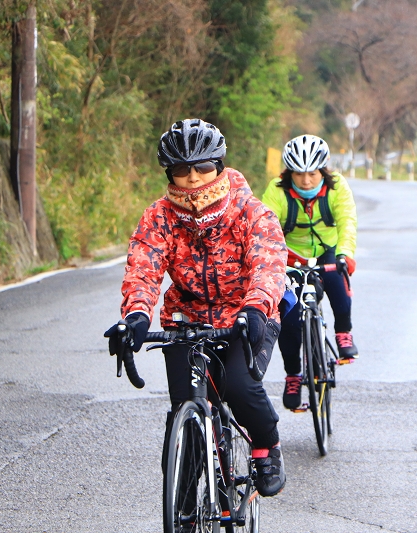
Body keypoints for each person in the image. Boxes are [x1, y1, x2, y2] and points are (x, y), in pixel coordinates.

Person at [104, 118, 287, 497]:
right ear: (169, 172)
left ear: (218, 165)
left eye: (203, 166)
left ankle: (267, 447)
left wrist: (255, 308)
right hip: (187, 321)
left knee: (239, 386)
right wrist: (135, 315)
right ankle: (184, 505)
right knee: (184, 410)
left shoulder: (251, 211)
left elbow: (268, 264)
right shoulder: (158, 217)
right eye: (181, 169)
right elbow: (144, 269)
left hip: (245, 316)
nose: (192, 177)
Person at [261, 134, 358, 411]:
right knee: (288, 319)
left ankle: (343, 333)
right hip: (291, 257)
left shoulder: (337, 187)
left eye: (312, 174)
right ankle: (293, 375)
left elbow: (347, 220)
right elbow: (265, 228)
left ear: (323, 171)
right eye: (299, 174)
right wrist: (270, 262)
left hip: (328, 251)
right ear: (289, 172)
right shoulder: (277, 190)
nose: (306, 181)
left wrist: (345, 254)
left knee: (337, 284)